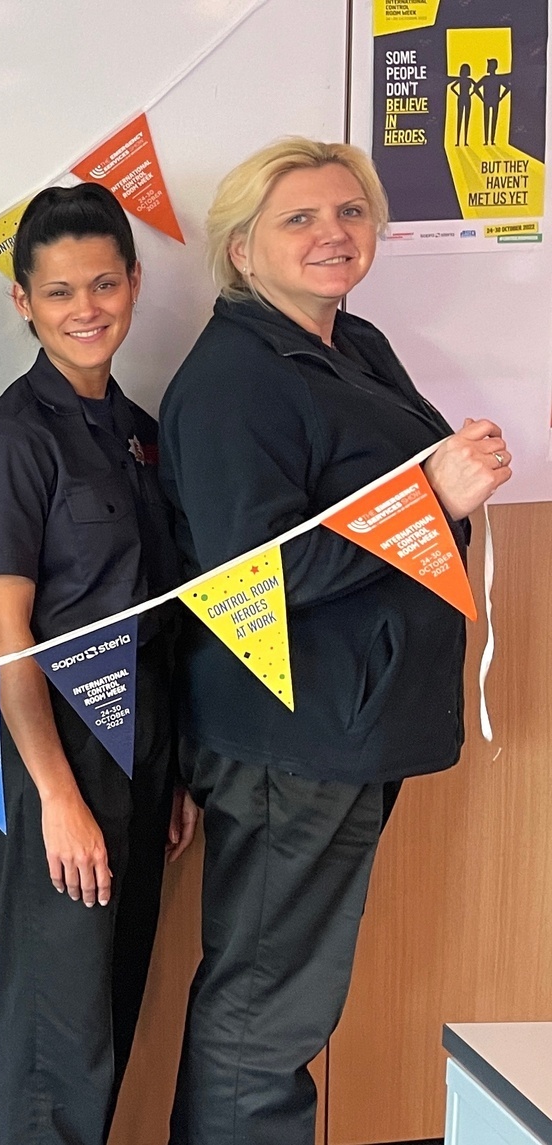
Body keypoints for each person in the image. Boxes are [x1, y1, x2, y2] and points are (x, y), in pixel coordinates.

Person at [161, 137, 509, 1145]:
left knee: (286, 991)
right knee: (268, 1004)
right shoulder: (236, 376)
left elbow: (377, 515)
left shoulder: (346, 343)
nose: (332, 234)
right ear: (240, 249)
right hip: (291, 736)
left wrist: (439, 487)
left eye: (348, 212)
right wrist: (427, 497)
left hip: (345, 724)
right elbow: (245, 582)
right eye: (299, 219)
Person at [0, 183, 194, 1145]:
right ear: (22, 303)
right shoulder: (12, 440)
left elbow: (162, 617)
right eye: (59, 292)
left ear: (134, 283)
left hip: (141, 756)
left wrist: (171, 775)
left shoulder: (139, 430)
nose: (86, 308)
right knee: (57, 1034)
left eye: (103, 283)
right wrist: (54, 792)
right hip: (53, 754)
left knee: (108, 1006)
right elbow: (1, 628)